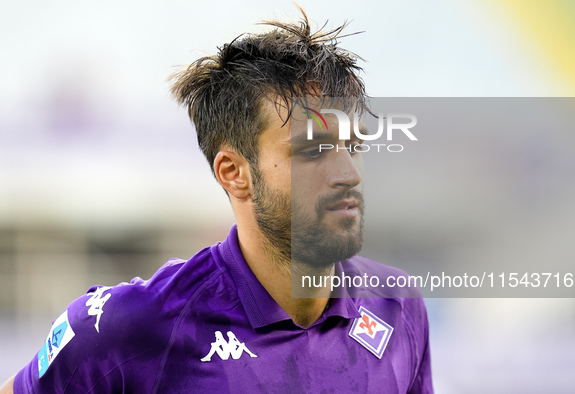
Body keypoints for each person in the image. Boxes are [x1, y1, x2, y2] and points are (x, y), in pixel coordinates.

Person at [1, 9, 433, 394]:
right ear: (234, 172)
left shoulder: (397, 307)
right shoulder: (130, 326)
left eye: (351, 145)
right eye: (313, 150)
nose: (348, 174)